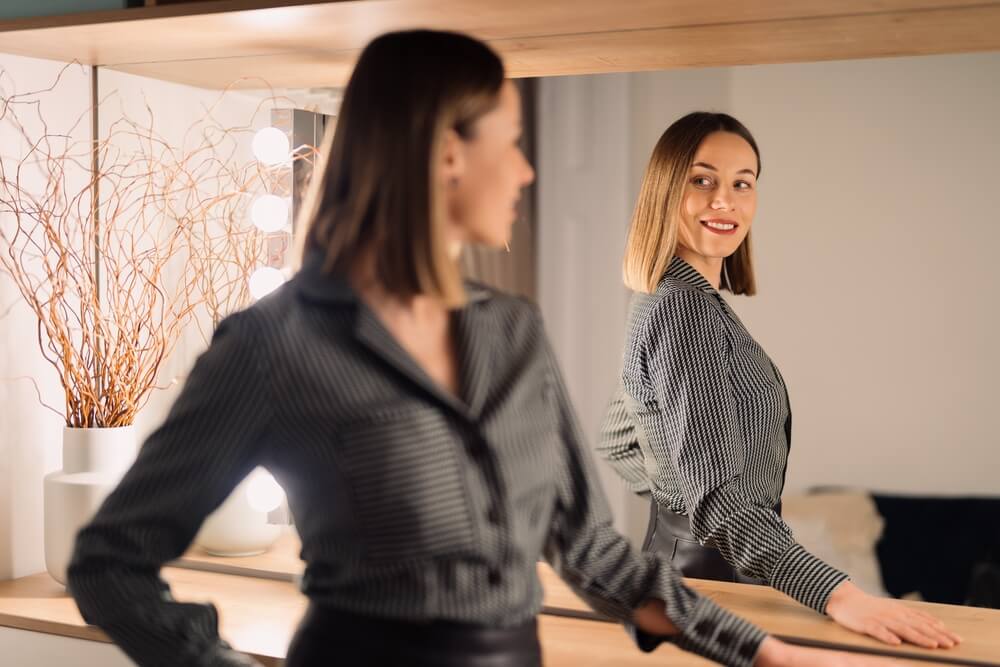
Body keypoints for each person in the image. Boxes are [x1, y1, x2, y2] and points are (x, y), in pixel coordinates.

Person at [70, 32, 897, 667]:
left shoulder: (512, 331)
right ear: (444, 153)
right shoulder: (274, 344)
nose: (529, 171)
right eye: (511, 139)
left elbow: (591, 550)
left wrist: (755, 646)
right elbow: (110, 563)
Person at [598, 111, 961, 650]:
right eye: (703, 180)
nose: (726, 200)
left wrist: (680, 498)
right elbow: (720, 502)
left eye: (742, 183)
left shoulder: (664, 300)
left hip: (700, 574)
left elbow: (618, 438)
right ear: (665, 191)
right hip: (709, 587)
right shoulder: (683, 313)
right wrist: (842, 596)